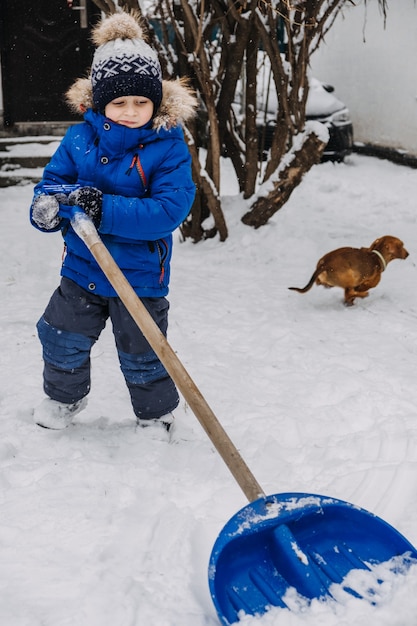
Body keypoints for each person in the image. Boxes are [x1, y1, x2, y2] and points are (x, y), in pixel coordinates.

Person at [30, 12, 197, 436]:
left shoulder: (169, 149)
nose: (130, 112)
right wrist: (46, 207)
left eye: (141, 102)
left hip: (140, 276)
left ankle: (155, 414)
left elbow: (167, 212)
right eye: (119, 103)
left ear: (156, 102)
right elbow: (53, 184)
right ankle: (64, 399)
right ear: (100, 102)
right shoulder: (79, 140)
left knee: (145, 352)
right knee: (60, 338)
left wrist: (104, 209)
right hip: (82, 268)